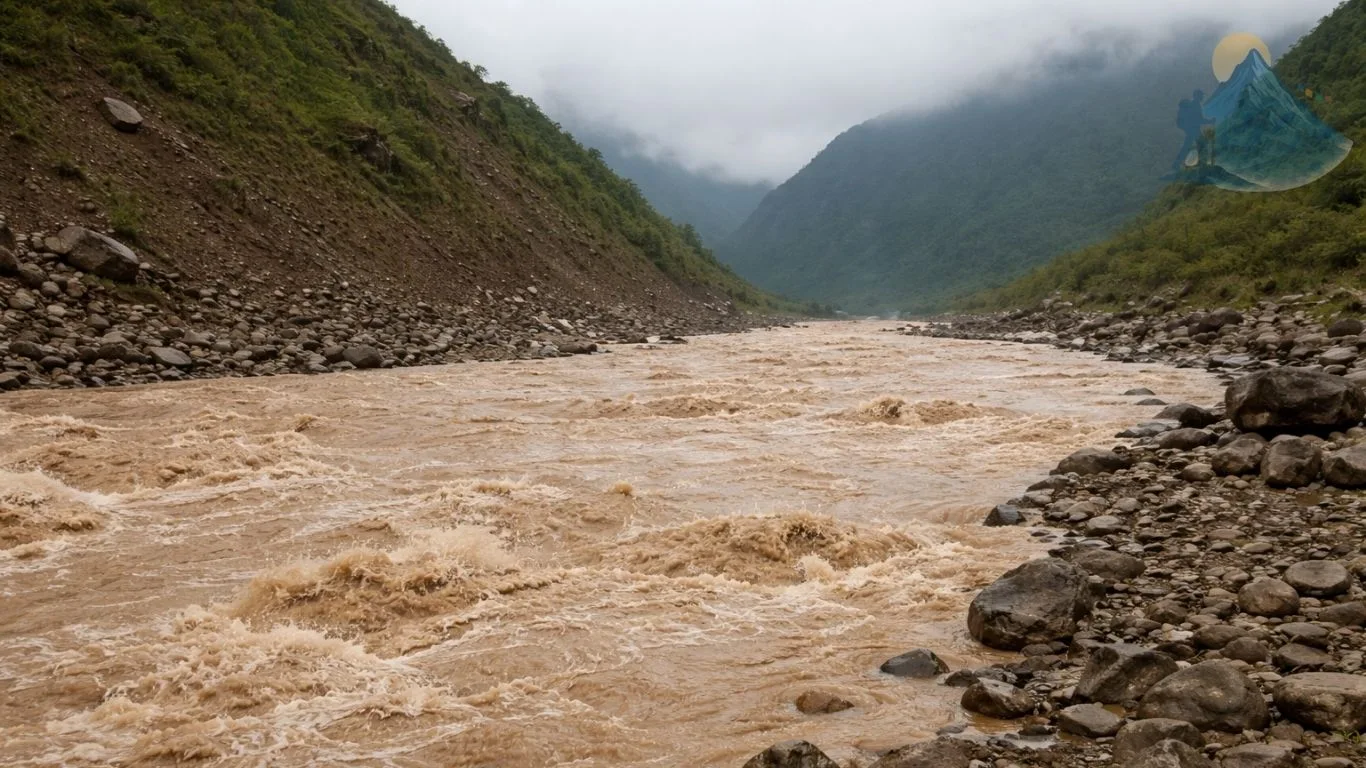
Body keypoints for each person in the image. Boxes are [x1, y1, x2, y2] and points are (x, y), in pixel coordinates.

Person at [1173, 89, 1215, 172]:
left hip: (1191, 129)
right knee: (1203, 144)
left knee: (1187, 146)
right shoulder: (1196, 105)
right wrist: (1210, 121)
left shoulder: (1193, 104)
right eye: (1201, 95)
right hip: (1194, 129)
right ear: (1197, 96)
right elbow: (1199, 119)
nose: (1202, 97)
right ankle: (1202, 164)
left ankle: (1176, 164)